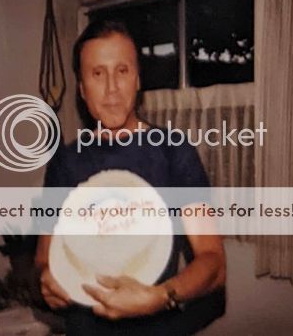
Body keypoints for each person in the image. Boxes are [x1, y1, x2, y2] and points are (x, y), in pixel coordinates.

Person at [35, 20, 226, 335]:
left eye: (122, 71)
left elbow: (214, 264)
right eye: (97, 74)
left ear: (137, 79)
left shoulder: (172, 152)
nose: (112, 88)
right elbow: (43, 260)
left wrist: (161, 296)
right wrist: (46, 282)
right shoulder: (65, 163)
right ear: (82, 88)